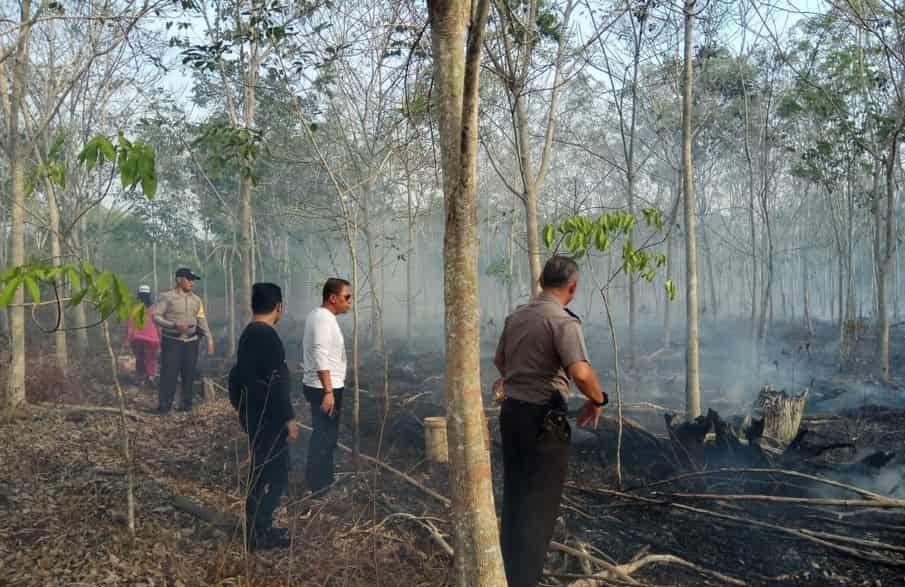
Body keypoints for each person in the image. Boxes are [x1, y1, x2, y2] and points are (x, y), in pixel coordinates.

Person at [493, 256, 608, 587]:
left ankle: (508, 573)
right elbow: (581, 372)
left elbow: (501, 360)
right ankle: (524, 580)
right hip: (543, 423)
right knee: (539, 509)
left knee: (516, 497)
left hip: (511, 415)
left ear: (542, 281)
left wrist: (519, 380)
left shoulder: (516, 316)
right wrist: (598, 399)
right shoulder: (562, 322)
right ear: (572, 287)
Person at [230, 283, 299, 551]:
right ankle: (259, 532)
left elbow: (236, 377)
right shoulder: (268, 337)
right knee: (276, 475)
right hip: (269, 419)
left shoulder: (247, 334)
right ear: (278, 307)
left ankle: (257, 529)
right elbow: (277, 384)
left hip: (254, 415)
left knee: (260, 473)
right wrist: (289, 418)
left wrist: (241, 408)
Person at [301, 278, 352, 494]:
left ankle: (323, 481)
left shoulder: (321, 316)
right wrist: (329, 391)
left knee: (325, 435)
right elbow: (320, 353)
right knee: (324, 437)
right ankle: (319, 487)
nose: (350, 302)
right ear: (333, 298)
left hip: (323, 385)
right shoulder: (323, 319)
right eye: (346, 297)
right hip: (324, 388)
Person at [152, 268, 214, 413]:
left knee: (189, 373)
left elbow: (201, 320)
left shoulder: (197, 300)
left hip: (192, 342)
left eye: (193, 280)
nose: (191, 282)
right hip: (172, 341)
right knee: (169, 374)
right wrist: (173, 325)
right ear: (179, 279)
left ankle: (186, 405)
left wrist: (209, 338)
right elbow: (156, 316)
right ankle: (164, 407)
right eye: (188, 279)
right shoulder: (166, 297)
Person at [124, 285, 160, 386]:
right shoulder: (154, 309)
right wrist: (160, 338)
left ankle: (141, 378)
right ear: (149, 295)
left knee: (140, 358)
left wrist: (127, 339)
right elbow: (158, 326)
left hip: (137, 339)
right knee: (151, 358)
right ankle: (151, 376)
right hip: (153, 339)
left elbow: (130, 326)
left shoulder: (134, 309)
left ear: (139, 295)